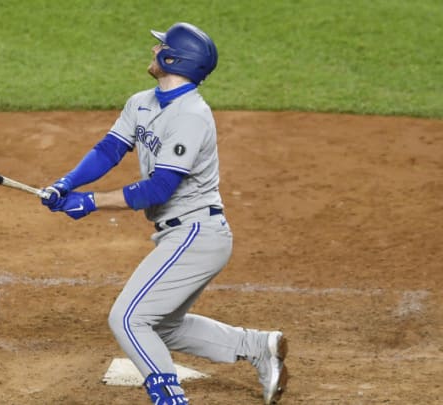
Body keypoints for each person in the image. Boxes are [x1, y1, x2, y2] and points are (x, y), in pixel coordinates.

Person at [41, 22, 288, 405]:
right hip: (181, 233)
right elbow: (108, 150)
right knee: (160, 325)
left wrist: (90, 203)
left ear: (174, 59)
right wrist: (65, 184)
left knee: (127, 318)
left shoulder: (192, 116)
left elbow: (158, 189)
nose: (154, 51)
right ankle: (257, 346)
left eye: (161, 48)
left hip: (197, 233)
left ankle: (170, 397)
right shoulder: (142, 101)